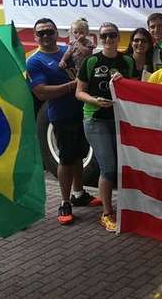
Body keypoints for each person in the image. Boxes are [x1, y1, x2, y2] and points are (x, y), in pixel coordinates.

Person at [26, 18, 101, 226]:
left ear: (56, 33)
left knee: (78, 154)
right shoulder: (35, 61)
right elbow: (40, 92)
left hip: (82, 111)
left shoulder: (68, 49)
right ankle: (64, 202)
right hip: (61, 115)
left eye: (49, 31)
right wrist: (72, 86)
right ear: (35, 37)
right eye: (41, 33)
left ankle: (79, 194)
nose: (46, 36)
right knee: (66, 159)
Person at [76, 22, 136, 232]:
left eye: (112, 36)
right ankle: (107, 213)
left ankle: (123, 208)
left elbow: (135, 89)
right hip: (95, 119)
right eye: (104, 37)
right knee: (108, 168)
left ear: (119, 37)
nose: (108, 40)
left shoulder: (127, 61)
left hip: (120, 119)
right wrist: (95, 101)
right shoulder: (91, 61)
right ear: (99, 39)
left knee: (121, 166)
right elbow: (79, 92)